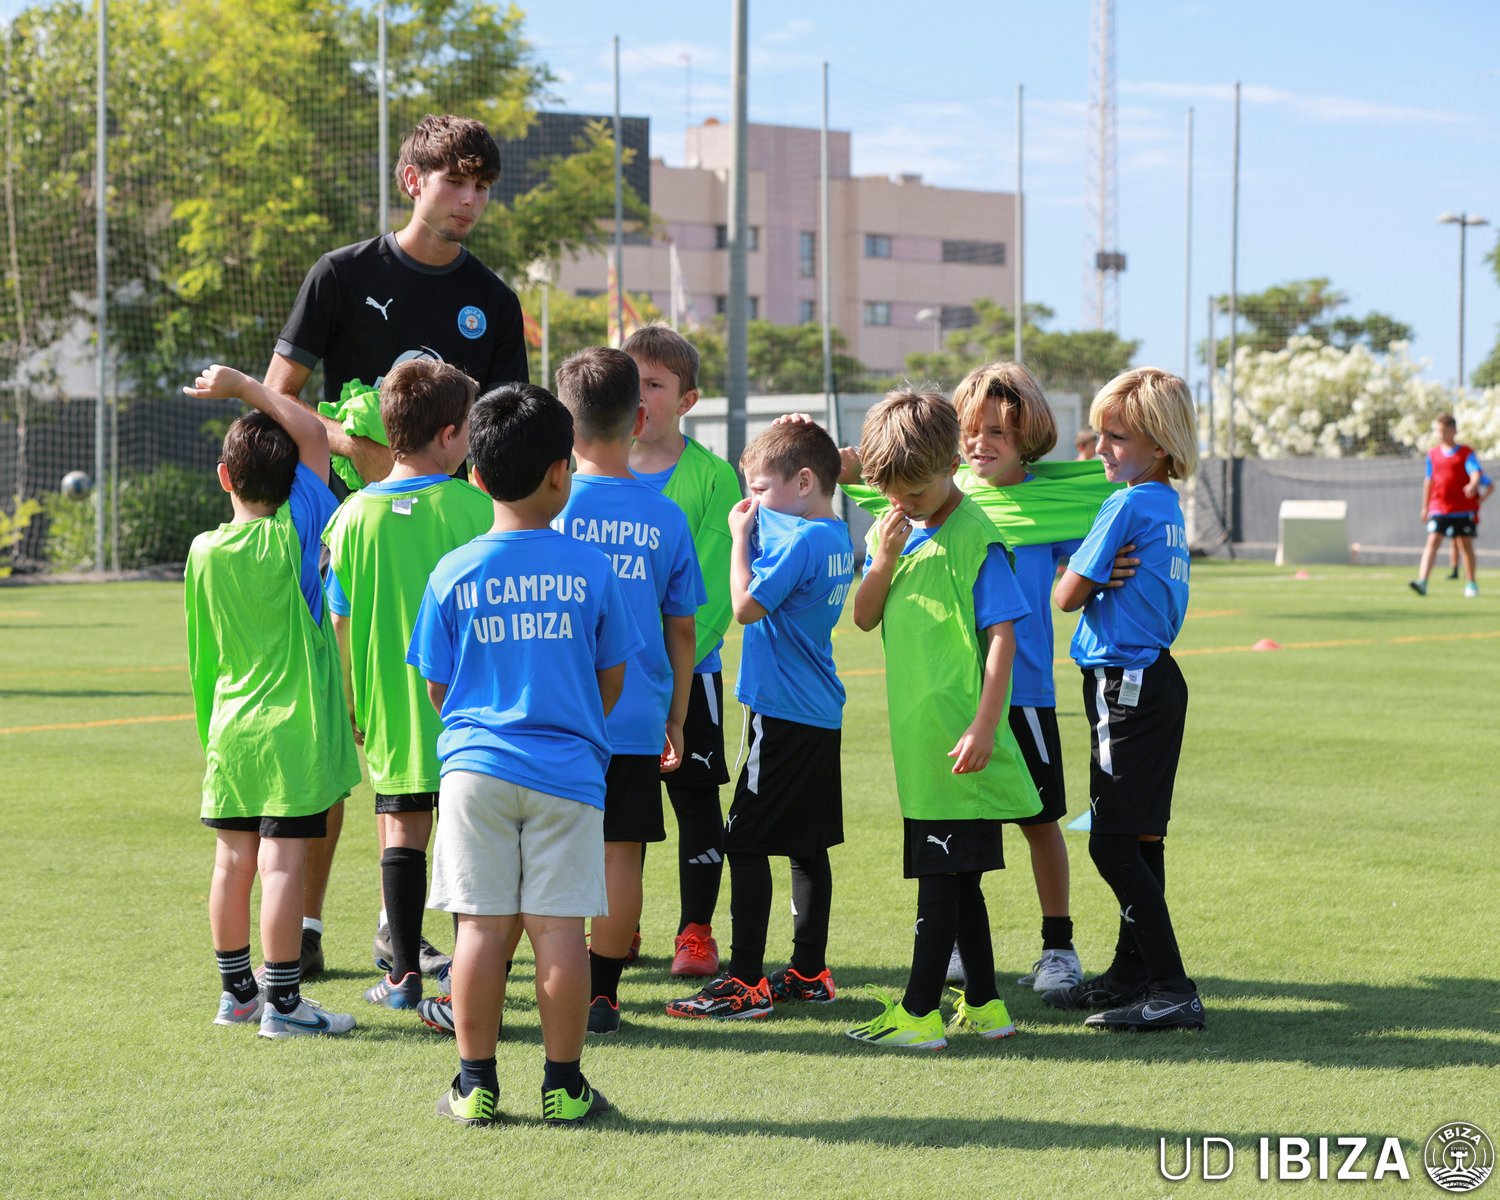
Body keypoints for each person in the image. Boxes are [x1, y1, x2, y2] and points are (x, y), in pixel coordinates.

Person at [265, 113, 529, 976]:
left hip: (448, 554)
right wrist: (347, 450)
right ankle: (304, 926)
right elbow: (278, 393)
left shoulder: (494, 301)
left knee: (430, 736)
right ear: (413, 181)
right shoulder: (341, 275)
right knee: (331, 741)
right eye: (456, 181)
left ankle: (399, 923)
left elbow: (500, 438)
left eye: (483, 186)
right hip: (339, 541)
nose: (470, 201)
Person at [835, 365, 1127, 994]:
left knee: (1040, 820)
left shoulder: (1049, 509)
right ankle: (960, 947)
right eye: (972, 430)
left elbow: (1095, 547)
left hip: (1023, 693)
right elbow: (884, 502)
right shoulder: (923, 500)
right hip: (949, 705)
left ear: (1029, 437)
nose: (981, 442)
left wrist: (1114, 560)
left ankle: (1058, 946)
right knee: (959, 828)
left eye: (998, 431)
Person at [406, 383, 642, 1125]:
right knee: (559, 931)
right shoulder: (591, 569)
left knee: (478, 930)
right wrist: (570, 719)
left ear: (475, 475)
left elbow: (438, 685)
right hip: (569, 772)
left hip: (474, 771)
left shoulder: (452, 570)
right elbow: (611, 677)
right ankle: (564, 1088)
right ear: (561, 472)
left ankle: (474, 1085)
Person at [842, 388, 1040, 1051]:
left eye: (916, 490)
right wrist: (884, 558)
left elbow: (1004, 637)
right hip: (921, 742)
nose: (905, 502)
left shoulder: (976, 535)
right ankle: (983, 1005)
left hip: (960, 742)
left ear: (952, 464)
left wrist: (984, 724)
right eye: (891, 491)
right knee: (961, 879)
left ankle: (920, 1012)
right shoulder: (890, 528)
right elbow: (863, 617)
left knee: (938, 876)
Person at [182, 364, 360, 1039]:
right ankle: (283, 1002)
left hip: (232, 729)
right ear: (295, 488)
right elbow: (312, 433)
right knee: (281, 864)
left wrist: (211, 729)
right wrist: (245, 387)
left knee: (231, 862)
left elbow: (201, 653)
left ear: (223, 478)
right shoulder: (293, 534)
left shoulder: (203, 551)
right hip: (294, 732)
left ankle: (238, 995)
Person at [665, 421, 853, 1021]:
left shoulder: (798, 541)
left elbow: (745, 607)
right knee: (806, 844)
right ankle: (809, 970)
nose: (754, 503)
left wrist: (739, 538)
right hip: (819, 710)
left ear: (804, 482)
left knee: (744, 842)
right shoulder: (835, 532)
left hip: (781, 711)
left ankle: (745, 982)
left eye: (761, 490)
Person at [321, 359, 493, 1011]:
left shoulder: (350, 517)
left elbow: (340, 621)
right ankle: (467, 974)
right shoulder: (476, 508)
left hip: (389, 704)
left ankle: (402, 978)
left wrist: (349, 700)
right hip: (469, 702)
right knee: (468, 838)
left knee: (401, 833)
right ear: (449, 435)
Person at [552, 347, 704, 1036]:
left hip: (558, 714)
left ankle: (555, 979)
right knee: (621, 853)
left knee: (551, 852)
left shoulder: (547, 508)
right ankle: (603, 996)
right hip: (637, 713)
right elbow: (682, 630)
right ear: (639, 419)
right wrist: (677, 716)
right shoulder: (666, 516)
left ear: (564, 424)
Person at [1049, 366, 1205, 1032]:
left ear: (1160, 444)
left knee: (1111, 845)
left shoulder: (1127, 504)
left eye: (1116, 437)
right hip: (1158, 680)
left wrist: (1083, 574)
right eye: (1100, 434)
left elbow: (1066, 595)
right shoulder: (1167, 505)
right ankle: (1131, 973)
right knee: (1142, 838)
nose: (1101, 448)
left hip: (1124, 685)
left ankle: (1171, 987)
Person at [624, 325, 742, 977]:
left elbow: (715, 592)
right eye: (630, 380)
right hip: (610, 676)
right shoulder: (590, 469)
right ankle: (620, 925)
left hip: (688, 673)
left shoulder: (713, 477)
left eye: (655, 383)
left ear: (688, 400)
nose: (639, 394)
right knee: (621, 804)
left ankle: (695, 932)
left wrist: (671, 663)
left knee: (695, 800)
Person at [1410, 413, 1485, 598]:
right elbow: (1429, 480)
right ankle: (1422, 581)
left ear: (1453, 430)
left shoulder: (1465, 452)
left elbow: (1475, 472)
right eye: (1438, 431)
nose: (1440, 434)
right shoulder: (1433, 454)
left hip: (1462, 509)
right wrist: (1425, 506)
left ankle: (1471, 583)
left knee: (1465, 545)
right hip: (1439, 507)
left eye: (1444, 431)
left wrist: (1473, 484)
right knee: (1433, 540)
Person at [1448, 470, 1494, 579]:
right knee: (1454, 541)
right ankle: (1455, 570)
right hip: (1453, 512)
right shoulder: (1456, 474)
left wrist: (1481, 499)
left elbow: (1490, 485)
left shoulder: (1473, 474)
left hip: (1468, 514)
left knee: (1465, 543)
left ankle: (1468, 571)